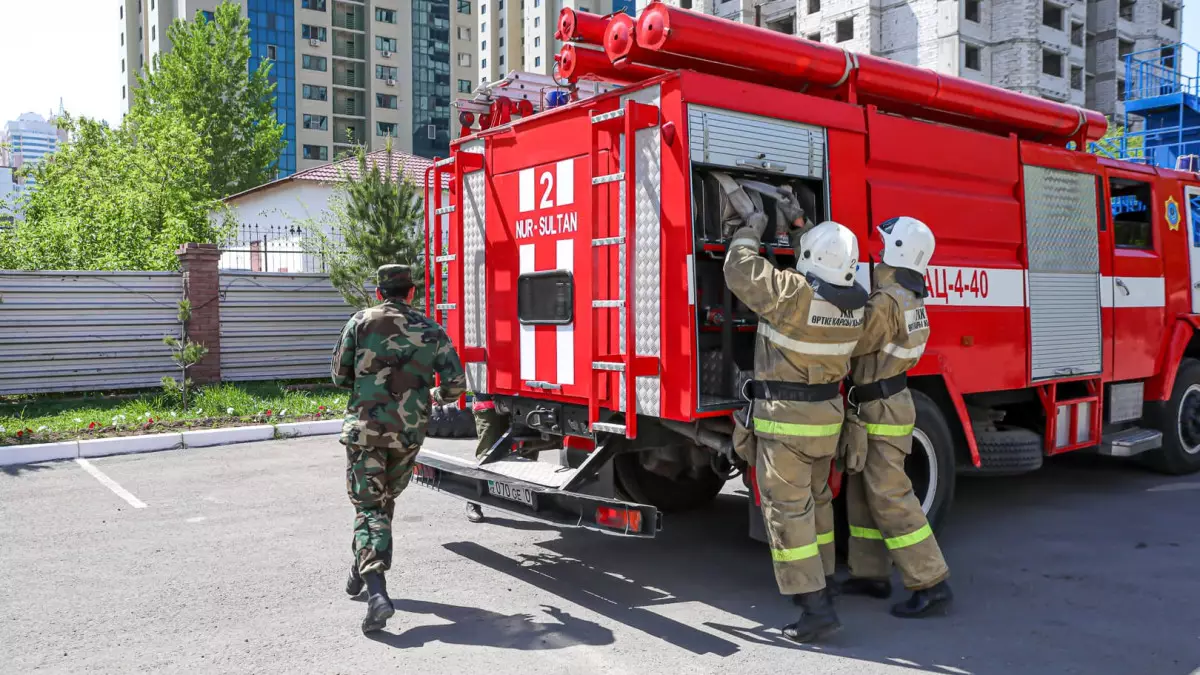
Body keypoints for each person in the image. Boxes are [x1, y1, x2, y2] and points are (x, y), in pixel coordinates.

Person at [721, 175, 868, 644]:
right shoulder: (855, 308)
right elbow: (823, 270)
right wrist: (802, 224)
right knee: (818, 505)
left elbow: (740, 270)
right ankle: (825, 580)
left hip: (785, 427)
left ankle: (814, 607)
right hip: (826, 425)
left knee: (788, 513)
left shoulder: (791, 295)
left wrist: (750, 228)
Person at [332, 264, 466, 634]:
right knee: (382, 502)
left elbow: (339, 376)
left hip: (366, 430)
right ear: (411, 292)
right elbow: (455, 385)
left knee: (370, 506)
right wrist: (431, 395)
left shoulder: (360, 322)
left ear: (379, 292)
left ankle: (377, 592)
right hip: (408, 434)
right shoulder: (431, 329)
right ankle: (359, 569)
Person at [839, 216, 953, 618]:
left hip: (881, 405)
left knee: (890, 495)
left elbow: (852, 341)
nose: (879, 251)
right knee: (862, 492)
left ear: (898, 250)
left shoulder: (887, 301)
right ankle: (870, 574)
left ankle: (931, 582)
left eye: (885, 244)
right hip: (884, 402)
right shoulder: (909, 295)